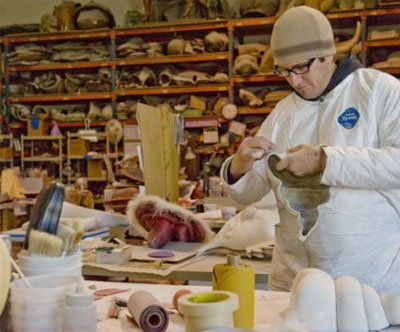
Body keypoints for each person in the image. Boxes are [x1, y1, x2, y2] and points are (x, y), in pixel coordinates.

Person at [220, 6, 400, 293]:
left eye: (301, 67)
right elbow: (251, 192)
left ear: (328, 55)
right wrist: (238, 167)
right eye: (284, 71)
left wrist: (324, 161)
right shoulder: (283, 113)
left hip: (370, 280)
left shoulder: (379, 92)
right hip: (294, 281)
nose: (294, 80)